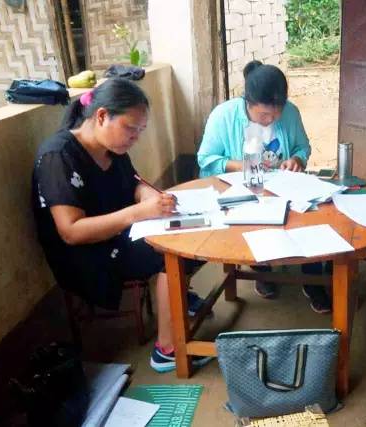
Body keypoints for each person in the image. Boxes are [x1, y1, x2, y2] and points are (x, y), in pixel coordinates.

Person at [32, 78, 209, 374]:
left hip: (118, 235)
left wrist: (150, 197)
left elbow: (135, 184)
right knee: (173, 252)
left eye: (140, 131)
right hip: (86, 255)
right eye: (131, 128)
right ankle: (167, 349)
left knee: (193, 234)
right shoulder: (59, 157)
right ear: (102, 116)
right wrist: (138, 213)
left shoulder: (113, 149)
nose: (135, 138)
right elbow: (71, 232)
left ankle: (176, 296)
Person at [197, 60, 332, 313]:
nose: (269, 120)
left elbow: (303, 147)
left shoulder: (290, 112)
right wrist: (243, 166)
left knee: (312, 219)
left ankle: (313, 278)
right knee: (255, 222)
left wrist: (296, 159)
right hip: (242, 191)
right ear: (247, 103)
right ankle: (262, 270)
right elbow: (206, 160)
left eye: (275, 115)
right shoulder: (223, 115)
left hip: (284, 188)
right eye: (263, 116)